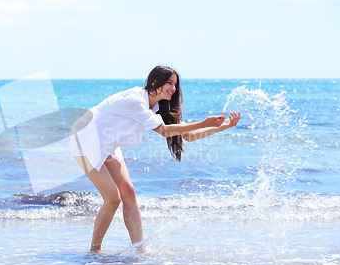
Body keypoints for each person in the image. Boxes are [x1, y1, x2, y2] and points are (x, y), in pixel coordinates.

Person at [68, 65, 241, 253]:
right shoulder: (134, 101)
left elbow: (186, 136)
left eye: (175, 84)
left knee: (128, 191)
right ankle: (95, 251)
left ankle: (139, 249)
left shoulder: (156, 107)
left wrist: (221, 127)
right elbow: (165, 131)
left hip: (106, 142)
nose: (173, 89)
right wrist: (204, 122)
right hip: (84, 138)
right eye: (169, 83)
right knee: (113, 198)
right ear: (154, 82)